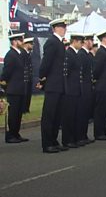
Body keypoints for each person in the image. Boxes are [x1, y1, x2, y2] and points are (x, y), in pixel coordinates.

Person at [38, 19, 69, 153]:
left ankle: (54, 140)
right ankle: (47, 143)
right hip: (53, 84)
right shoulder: (52, 42)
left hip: (60, 84)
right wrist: (42, 77)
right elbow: (46, 63)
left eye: (64, 27)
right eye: (61, 27)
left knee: (57, 115)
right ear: (55, 28)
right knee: (49, 115)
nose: (64, 29)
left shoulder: (59, 43)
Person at [0, 33, 29, 143]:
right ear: (15, 42)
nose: (23, 43)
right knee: (12, 113)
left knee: (18, 113)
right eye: (21, 40)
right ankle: (10, 135)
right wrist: (5, 85)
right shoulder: (10, 55)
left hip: (20, 88)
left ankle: (16, 133)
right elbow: (6, 73)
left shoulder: (20, 54)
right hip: (13, 88)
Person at [61, 33, 84, 148]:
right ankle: (67, 139)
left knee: (75, 115)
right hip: (70, 89)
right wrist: (67, 88)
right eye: (80, 42)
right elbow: (66, 73)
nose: (81, 44)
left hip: (76, 89)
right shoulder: (68, 54)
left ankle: (74, 137)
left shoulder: (76, 54)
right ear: (74, 41)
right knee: (68, 116)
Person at [76, 33, 96, 145]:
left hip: (88, 86)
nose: (92, 43)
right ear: (86, 42)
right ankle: (80, 135)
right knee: (82, 113)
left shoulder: (88, 55)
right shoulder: (82, 54)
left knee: (86, 113)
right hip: (83, 87)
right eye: (90, 41)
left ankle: (83, 135)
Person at [21, 37, 34, 114]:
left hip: (29, 78)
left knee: (28, 94)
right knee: (25, 94)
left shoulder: (29, 54)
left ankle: (26, 108)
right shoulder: (22, 53)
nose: (32, 45)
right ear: (26, 44)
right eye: (31, 44)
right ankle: (23, 109)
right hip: (24, 78)